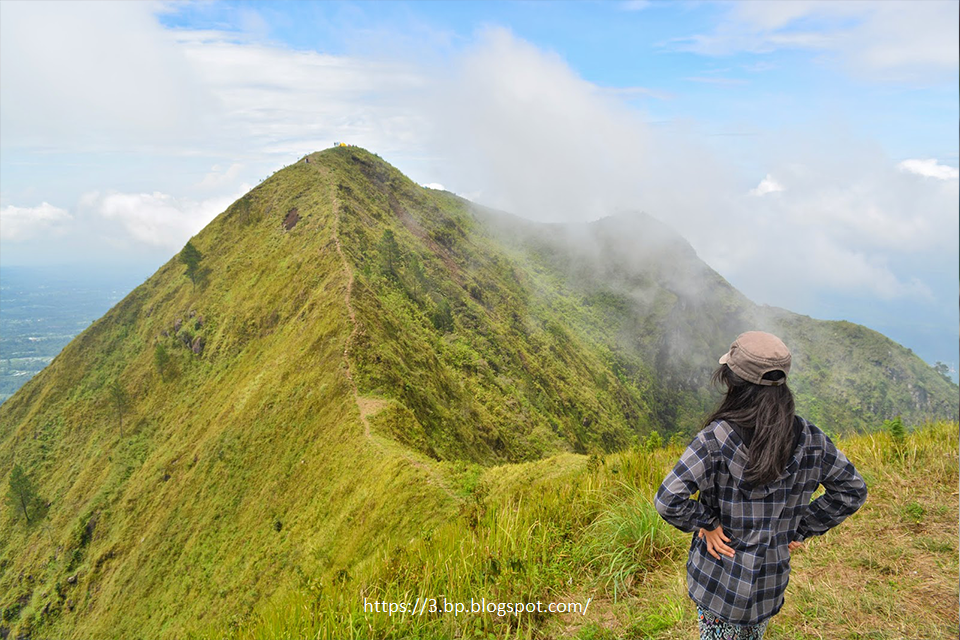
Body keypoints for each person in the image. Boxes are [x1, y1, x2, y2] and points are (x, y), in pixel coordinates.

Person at [655, 331, 867, 640]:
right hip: (769, 583)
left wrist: (707, 523)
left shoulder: (714, 440)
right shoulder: (811, 438)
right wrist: (800, 527)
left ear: (733, 381)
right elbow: (852, 489)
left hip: (719, 582)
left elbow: (668, 499)